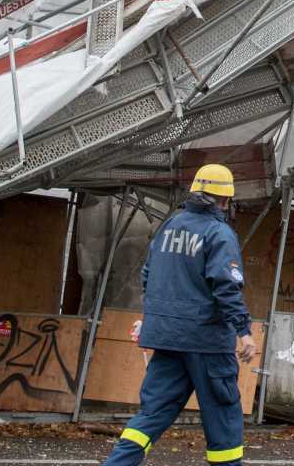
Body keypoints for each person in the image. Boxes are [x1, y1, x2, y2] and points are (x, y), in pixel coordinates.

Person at [99, 164, 256, 466]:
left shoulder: (170, 226)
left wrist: (156, 317)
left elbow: (149, 274)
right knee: (223, 419)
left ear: (194, 191)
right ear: (225, 200)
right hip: (207, 343)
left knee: (152, 414)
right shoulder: (219, 233)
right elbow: (226, 287)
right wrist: (244, 331)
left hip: (167, 339)